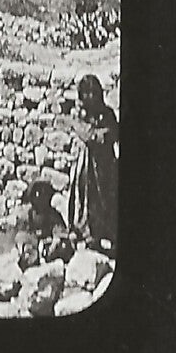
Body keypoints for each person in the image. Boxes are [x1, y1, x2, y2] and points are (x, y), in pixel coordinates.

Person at [68, 73, 119, 251]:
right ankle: (86, 232)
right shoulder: (79, 114)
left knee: (106, 197)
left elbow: (113, 133)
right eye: (86, 93)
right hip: (86, 165)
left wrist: (101, 135)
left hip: (105, 165)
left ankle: (106, 233)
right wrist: (99, 135)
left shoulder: (107, 114)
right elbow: (87, 134)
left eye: (93, 93)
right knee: (85, 197)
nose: (90, 97)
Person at [14, 179, 74, 267]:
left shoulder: (53, 214)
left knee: (64, 247)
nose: (40, 204)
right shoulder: (28, 215)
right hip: (34, 246)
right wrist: (26, 245)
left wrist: (54, 243)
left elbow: (60, 232)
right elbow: (21, 235)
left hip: (49, 247)